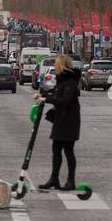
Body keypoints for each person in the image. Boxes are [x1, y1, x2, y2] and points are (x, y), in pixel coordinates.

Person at [37, 55, 81, 191]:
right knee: (56, 149)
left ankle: (71, 181)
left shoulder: (71, 82)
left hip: (69, 121)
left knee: (68, 150)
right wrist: (44, 96)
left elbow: (65, 101)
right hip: (60, 120)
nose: (55, 68)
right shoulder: (62, 81)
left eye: (56, 65)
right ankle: (54, 179)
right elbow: (56, 94)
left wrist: (46, 100)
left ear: (62, 67)